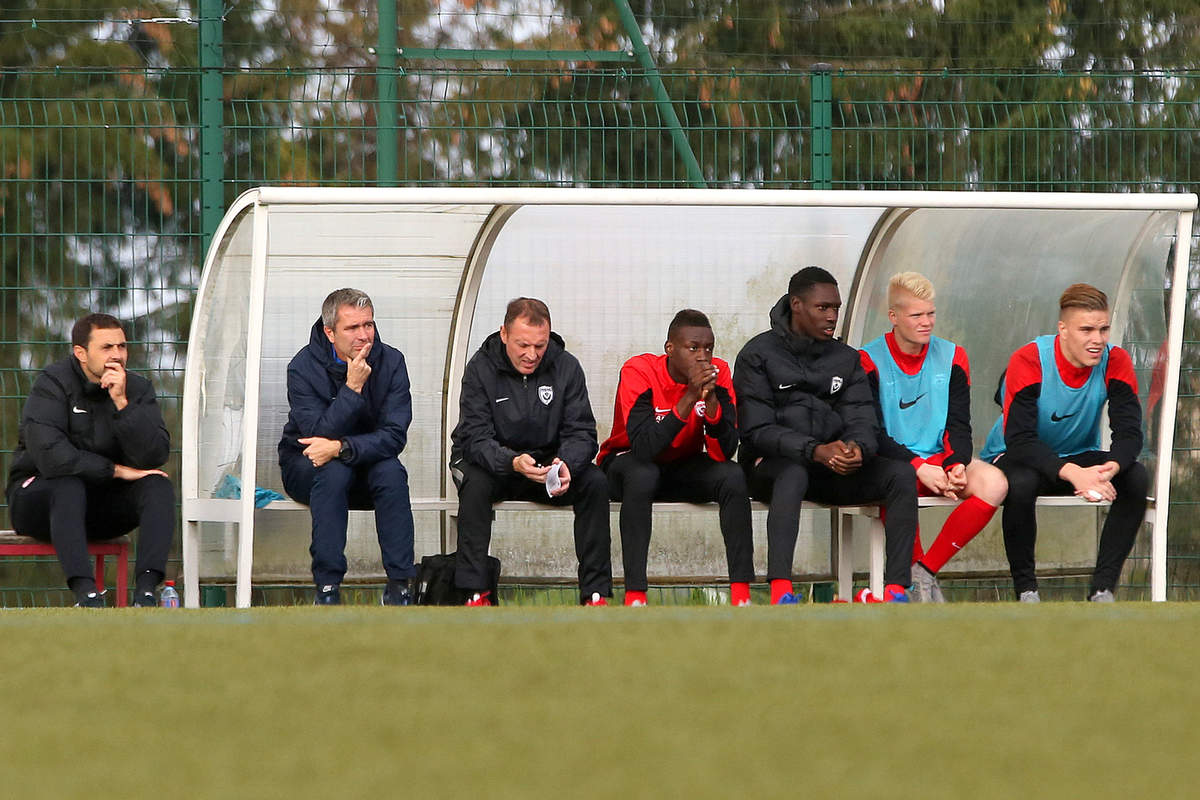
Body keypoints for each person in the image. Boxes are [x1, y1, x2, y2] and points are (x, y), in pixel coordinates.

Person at [734, 267, 916, 604]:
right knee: (792, 472)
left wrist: (857, 448)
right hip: (771, 469)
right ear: (797, 305)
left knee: (901, 474)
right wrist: (814, 450)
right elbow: (756, 430)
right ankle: (781, 591)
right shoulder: (758, 354)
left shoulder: (846, 359)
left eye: (836, 308)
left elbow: (864, 418)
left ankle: (895, 590)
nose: (832, 316)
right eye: (823, 308)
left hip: (832, 469)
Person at [980, 283, 1147, 603]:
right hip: (1014, 455)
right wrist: (1074, 473)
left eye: (1103, 329)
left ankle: (1102, 591)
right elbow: (1020, 440)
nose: (1097, 339)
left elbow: (1129, 432)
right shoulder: (1029, 359)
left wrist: (1111, 467)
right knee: (1023, 482)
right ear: (1063, 330)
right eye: (1086, 329)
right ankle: (1027, 592)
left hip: (1077, 456)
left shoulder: (1116, 360)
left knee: (1136, 476)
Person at [450, 297, 611, 606]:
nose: (532, 354)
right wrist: (511, 461)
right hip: (497, 464)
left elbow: (582, 433)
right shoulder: (480, 368)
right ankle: (474, 592)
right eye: (523, 345)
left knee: (594, 481)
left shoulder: (567, 366)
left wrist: (566, 463)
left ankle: (595, 594)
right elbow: (475, 438)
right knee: (475, 484)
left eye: (540, 345)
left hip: (548, 468)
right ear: (504, 334)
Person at [859, 272, 1008, 603]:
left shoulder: (954, 356)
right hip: (894, 463)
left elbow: (958, 422)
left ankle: (924, 571)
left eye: (931, 313)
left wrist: (956, 463)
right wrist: (916, 466)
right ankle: (912, 583)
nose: (926, 322)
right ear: (894, 317)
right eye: (916, 315)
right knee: (895, 480)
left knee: (995, 483)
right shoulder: (867, 359)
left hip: (940, 459)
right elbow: (871, 432)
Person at [7, 313, 173, 607]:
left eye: (121, 347)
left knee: (157, 486)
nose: (117, 356)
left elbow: (154, 456)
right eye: (107, 348)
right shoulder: (52, 384)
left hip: (100, 507)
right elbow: (52, 458)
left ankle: (146, 592)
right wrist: (116, 471)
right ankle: (87, 594)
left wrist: (122, 403)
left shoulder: (137, 388)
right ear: (81, 353)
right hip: (38, 501)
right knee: (68, 485)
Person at [598, 309, 755, 606]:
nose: (702, 356)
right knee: (643, 474)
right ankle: (635, 595)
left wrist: (709, 401)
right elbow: (643, 447)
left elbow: (724, 450)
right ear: (670, 349)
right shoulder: (640, 371)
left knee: (732, 476)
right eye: (693, 348)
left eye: (708, 348)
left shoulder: (718, 374)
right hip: (627, 461)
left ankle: (741, 595)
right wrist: (688, 398)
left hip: (682, 464)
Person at [278, 288, 416, 606]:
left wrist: (342, 447)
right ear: (330, 332)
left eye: (368, 325)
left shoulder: (392, 361)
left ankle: (400, 585)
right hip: (306, 465)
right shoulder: (302, 366)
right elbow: (316, 435)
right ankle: (327, 588)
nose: (364, 335)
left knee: (392, 473)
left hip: (365, 463)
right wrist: (352, 388)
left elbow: (395, 436)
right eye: (352, 328)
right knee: (334, 473)